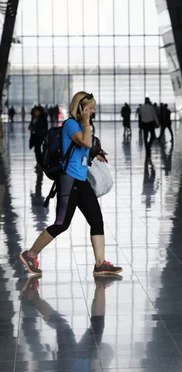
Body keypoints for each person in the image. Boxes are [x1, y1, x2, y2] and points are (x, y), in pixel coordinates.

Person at [19, 91, 122, 277]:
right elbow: (86, 141)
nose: (92, 111)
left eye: (93, 107)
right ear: (80, 107)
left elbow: (84, 148)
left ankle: (100, 264)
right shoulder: (71, 124)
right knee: (61, 223)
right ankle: (30, 254)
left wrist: (94, 154)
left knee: (96, 220)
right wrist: (86, 123)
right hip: (69, 180)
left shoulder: (81, 125)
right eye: (89, 107)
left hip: (81, 180)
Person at [28, 106, 47, 171]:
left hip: (40, 136)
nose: (35, 112)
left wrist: (45, 136)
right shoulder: (34, 117)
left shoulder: (42, 119)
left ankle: (40, 163)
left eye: (37, 111)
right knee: (36, 150)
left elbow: (45, 128)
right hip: (34, 136)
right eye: (35, 111)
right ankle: (39, 162)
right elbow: (31, 125)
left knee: (37, 149)